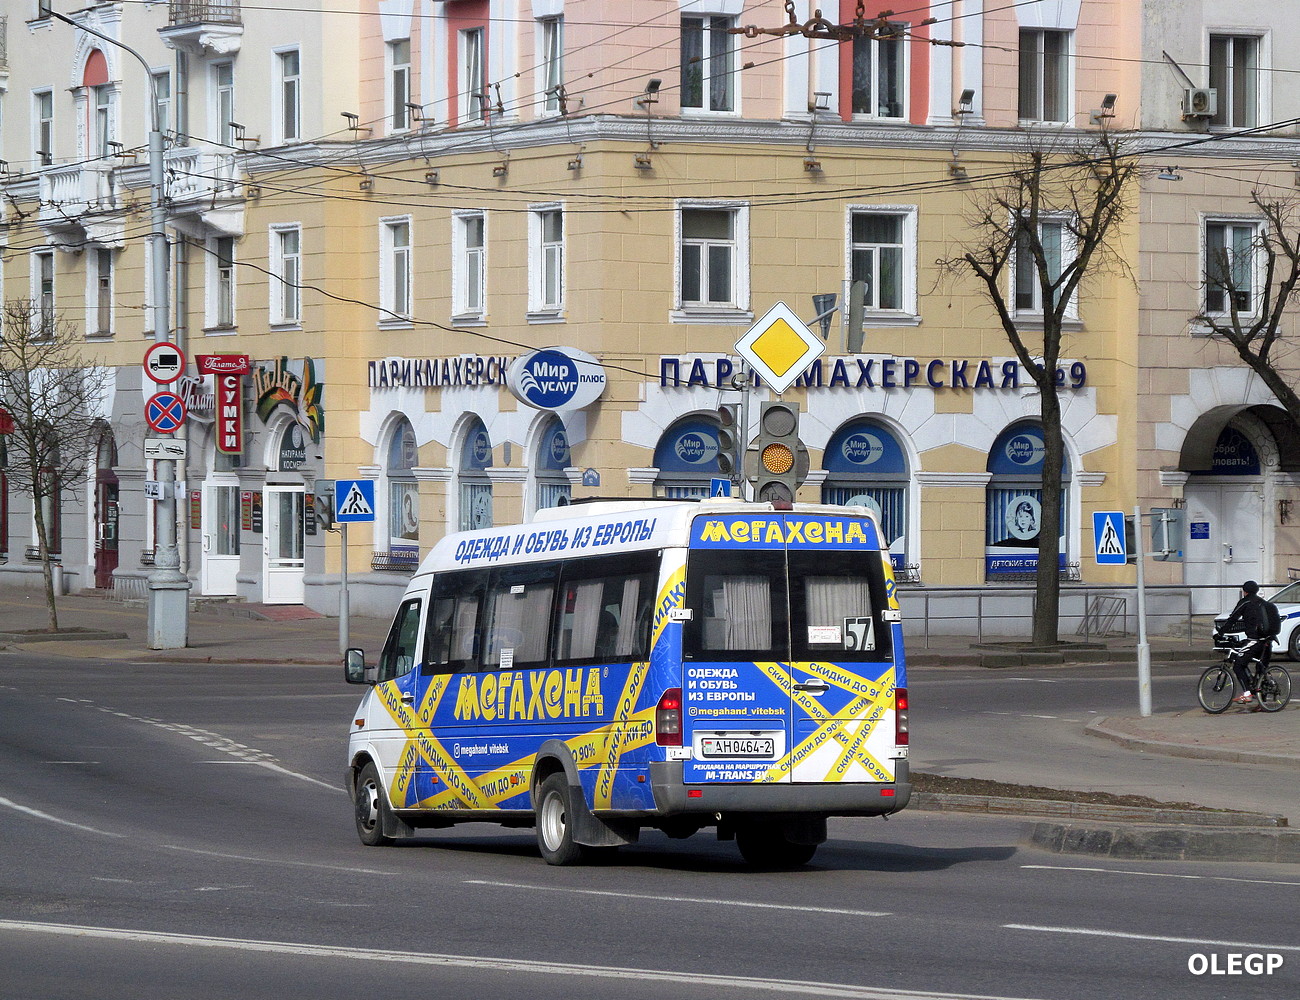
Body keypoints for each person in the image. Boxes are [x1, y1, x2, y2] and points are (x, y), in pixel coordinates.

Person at [1221, 580, 1277, 705]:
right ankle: (1262, 702)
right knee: (1260, 669)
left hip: (1255, 640)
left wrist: (1220, 633)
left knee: (1238, 664)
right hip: (1267, 641)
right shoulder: (1264, 603)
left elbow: (1233, 619)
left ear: (1245, 592)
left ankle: (1247, 694)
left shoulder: (1245, 602)